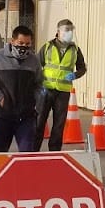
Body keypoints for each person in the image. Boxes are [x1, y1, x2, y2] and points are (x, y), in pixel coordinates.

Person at [0, 25, 42, 152]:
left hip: (26, 118)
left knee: (27, 155)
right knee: (0, 156)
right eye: (20, 43)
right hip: (3, 117)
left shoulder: (34, 61)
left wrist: (36, 98)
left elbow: (39, 83)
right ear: (12, 41)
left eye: (27, 44)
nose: (23, 47)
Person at [35, 19, 87, 151]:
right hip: (46, 90)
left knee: (59, 124)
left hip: (63, 92)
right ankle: (33, 150)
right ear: (58, 32)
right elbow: (36, 65)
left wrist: (75, 75)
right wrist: (38, 85)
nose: (69, 33)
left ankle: (54, 151)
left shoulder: (75, 49)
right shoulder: (47, 47)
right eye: (66, 30)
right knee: (39, 121)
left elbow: (82, 68)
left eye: (71, 30)